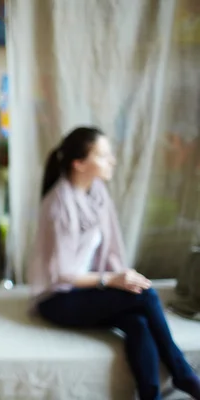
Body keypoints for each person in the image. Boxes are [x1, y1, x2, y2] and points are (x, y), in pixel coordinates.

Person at [28, 126, 200, 400]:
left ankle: (150, 395)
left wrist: (120, 276)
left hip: (88, 289)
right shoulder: (59, 205)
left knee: (137, 322)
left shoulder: (97, 193)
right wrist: (111, 280)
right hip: (58, 299)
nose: (113, 161)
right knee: (144, 294)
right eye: (104, 155)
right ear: (79, 163)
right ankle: (183, 374)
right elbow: (62, 274)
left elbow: (109, 254)